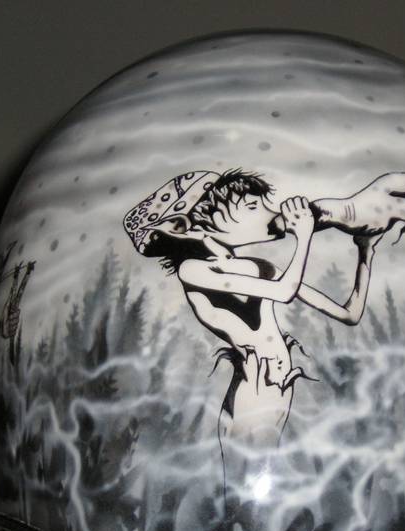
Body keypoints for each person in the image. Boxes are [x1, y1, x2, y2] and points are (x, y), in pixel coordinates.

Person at [123, 169, 383, 450]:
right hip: (255, 388)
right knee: (249, 467)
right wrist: (303, 237)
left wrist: (365, 252)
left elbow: (349, 314)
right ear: (182, 227)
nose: (269, 213)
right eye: (251, 206)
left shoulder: (258, 268)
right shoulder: (193, 270)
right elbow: (284, 292)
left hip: (277, 385)